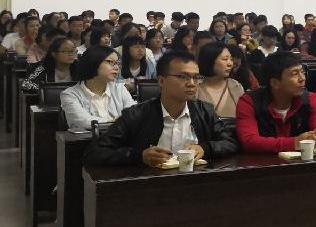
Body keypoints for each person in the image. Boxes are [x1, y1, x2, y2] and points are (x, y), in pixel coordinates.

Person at [83, 51, 239, 167]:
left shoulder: (204, 111)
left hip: (195, 184)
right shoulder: (137, 115)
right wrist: (140, 156)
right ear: (162, 81)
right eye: (183, 77)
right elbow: (95, 153)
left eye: (196, 77)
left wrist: (205, 148)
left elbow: (230, 142)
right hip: (148, 187)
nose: (192, 83)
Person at [235, 51, 316, 153]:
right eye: (295, 74)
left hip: (301, 161)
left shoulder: (310, 99)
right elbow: (249, 142)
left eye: (302, 72)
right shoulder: (249, 102)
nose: (302, 78)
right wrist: (295, 143)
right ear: (275, 83)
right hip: (261, 162)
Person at [60, 46, 137, 131]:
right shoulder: (70, 94)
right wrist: (114, 121)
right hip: (88, 139)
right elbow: (82, 121)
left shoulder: (119, 88)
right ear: (93, 62)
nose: (116, 67)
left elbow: (133, 113)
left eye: (117, 63)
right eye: (111, 62)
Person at [196, 42, 246, 118]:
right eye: (225, 59)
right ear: (210, 61)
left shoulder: (236, 86)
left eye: (231, 59)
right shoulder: (195, 88)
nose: (230, 64)